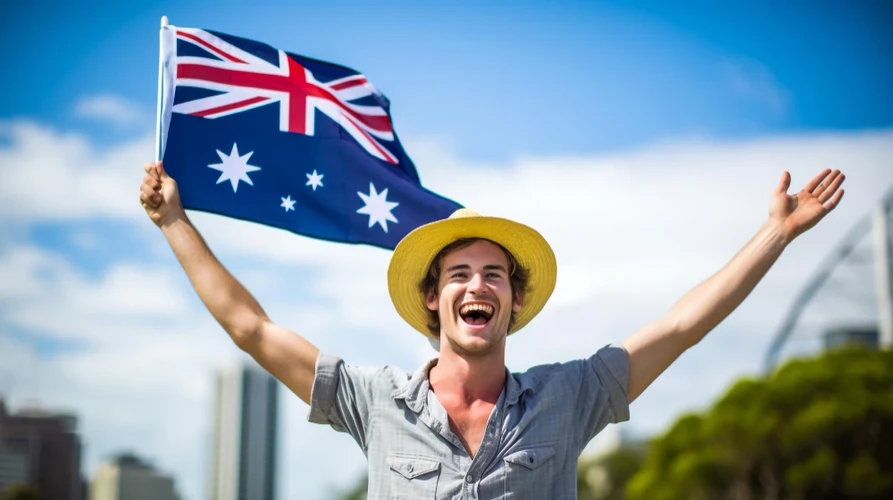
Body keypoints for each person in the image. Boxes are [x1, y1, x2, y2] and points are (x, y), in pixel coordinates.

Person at [139, 160, 845, 499]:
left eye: (494, 275)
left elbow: (684, 324)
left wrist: (773, 235)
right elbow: (251, 328)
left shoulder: (571, 396)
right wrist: (175, 221)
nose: (477, 285)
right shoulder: (373, 401)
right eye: (458, 275)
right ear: (433, 303)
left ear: (511, 303)